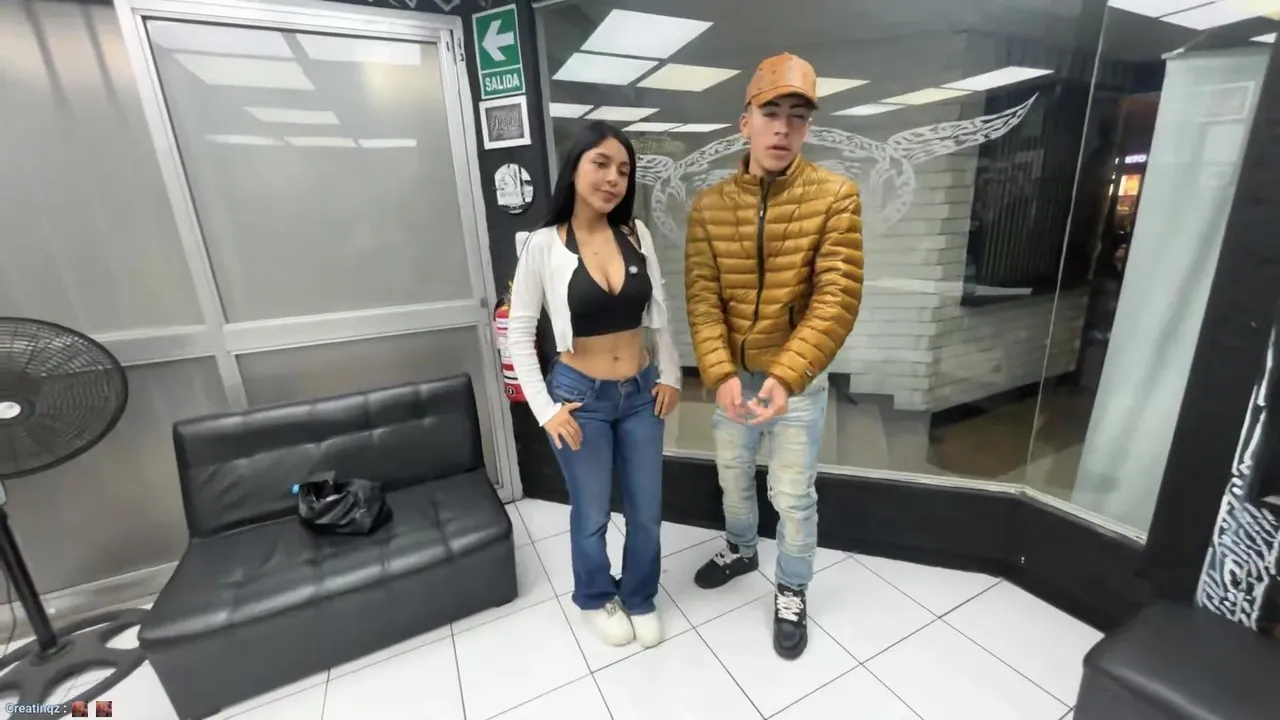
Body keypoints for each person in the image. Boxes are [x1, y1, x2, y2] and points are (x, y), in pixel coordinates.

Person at [684, 52, 864, 659]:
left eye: (797, 116)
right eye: (771, 113)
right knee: (732, 476)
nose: (783, 128)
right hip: (735, 377)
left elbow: (836, 298)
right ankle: (740, 549)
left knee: (791, 493)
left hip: (798, 380)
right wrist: (719, 372)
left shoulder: (835, 196)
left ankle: (792, 587)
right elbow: (703, 298)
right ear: (745, 122)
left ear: (808, 127)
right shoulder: (709, 206)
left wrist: (787, 376)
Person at [506, 121, 682, 648]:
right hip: (579, 396)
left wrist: (671, 374)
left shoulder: (636, 234)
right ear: (575, 168)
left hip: (641, 393)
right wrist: (546, 411)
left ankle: (640, 595)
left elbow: (659, 313)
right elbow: (518, 333)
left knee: (647, 510)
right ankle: (595, 595)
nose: (613, 179)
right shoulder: (542, 244)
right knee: (592, 513)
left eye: (623, 170)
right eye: (601, 164)